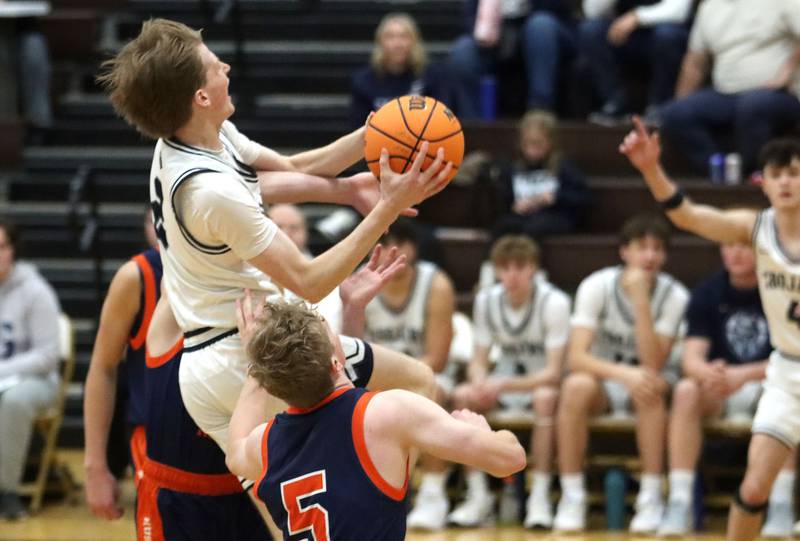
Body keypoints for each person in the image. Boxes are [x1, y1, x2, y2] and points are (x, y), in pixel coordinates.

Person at [97, 18, 451, 451]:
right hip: (247, 355)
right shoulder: (208, 191)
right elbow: (308, 279)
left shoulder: (195, 136)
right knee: (417, 385)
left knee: (290, 512)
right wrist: (387, 208)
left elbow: (293, 168)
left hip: (224, 355)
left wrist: (372, 140)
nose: (226, 66)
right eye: (214, 66)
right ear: (201, 96)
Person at [620, 118, 800, 541]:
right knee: (754, 486)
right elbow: (688, 216)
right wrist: (651, 170)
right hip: (788, 374)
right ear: (764, 183)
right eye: (777, 174)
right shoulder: (755, 228)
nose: (787, 182)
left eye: (794, 172)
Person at [225, 296, 528, 541]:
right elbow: (510, 459)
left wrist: (258, 360)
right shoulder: (386, 413)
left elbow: (235, 451)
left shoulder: (263, 444)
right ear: (333, 361)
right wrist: (484, 432)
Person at [553, 213, 689, 533]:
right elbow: (576, 358)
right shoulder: (596, 285)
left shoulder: (675, 295)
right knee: (575, 386)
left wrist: (642, 304)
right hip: (605, 381)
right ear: (624, 252)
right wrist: (624, 375)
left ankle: (651, 497)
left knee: (651, 388)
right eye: (642, 247)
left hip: (648, 383)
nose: (650, 256)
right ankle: (572, 496)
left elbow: (653, 363)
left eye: (657, 249)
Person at [659, 241, 796, 537]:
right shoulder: (708, 291)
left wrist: (743, 374)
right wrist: (707, 372)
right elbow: (691, 358)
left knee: (793, 394)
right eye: (729, 246)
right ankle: (679, 501)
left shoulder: (783, 285)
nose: (735, 252)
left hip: (770, 381)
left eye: (745, 246)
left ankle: (781, 504)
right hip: (722, 386)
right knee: (685, 391)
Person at [342, 218, 457, 531]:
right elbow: (349, 347)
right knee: (344, 403)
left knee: (430, 395)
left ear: (413, 249)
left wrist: (396, 382)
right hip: (373, 379)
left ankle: (433, 493)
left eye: (401, 245)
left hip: (425, 376)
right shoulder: (358, 282)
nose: (394, 253)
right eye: (385, 245)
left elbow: (438, 358)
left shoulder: (436, 284)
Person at [450, 235, 569, 528]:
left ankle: (539, 495)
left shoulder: (554, 302)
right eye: (505, 267)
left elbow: (554, 372)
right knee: (464, 395)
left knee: (545, 398)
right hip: (503, 383)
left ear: (533, 269)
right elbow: (479, 358)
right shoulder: (486, 300)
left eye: (520, 267)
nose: (512, 275)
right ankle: (477, 497)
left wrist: (501, 384)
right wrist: (480, 380)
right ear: (496, 270)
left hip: (540, 385)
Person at [135, 297, 271, 541]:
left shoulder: (255, 328)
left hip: (243, 493)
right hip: (175, 498)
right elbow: (178, 271)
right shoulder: (171, 323)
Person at [659, 0, 800, 176]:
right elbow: (695, 62)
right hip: (725, 93)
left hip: (779, 93)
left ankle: (754, 176)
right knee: (675, 113)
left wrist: (786, 72)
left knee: (753, 106)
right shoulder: (709, 7)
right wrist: (682, 100)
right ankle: (721, 172)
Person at [83, 212, 161, 521]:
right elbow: (102, 367)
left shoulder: (243, 266)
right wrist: (95, 467)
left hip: (229, 450)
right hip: (158, 450)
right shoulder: (137, 276)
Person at [0, 218, 61, 519]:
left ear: (13, 251)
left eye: (0, 247)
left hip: (35, 381)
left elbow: (48, 356)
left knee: (13, 401)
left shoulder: (35, 291)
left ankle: (7, 491)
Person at [447, 0, 577, 118]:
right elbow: (468, 18)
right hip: (496, 37)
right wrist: (485, 25)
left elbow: (559, 8)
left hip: (545, 29)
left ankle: (539, 115)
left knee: (540, 27)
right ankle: (472, 127)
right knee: (463, 50)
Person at [580, 0, 692, 126]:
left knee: (668, 36)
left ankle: (659, 107)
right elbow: (591, 11)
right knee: (591, 30)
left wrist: (637, 17)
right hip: (625, 35)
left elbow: (678, 11)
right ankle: (615, 103)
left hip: (662, 33)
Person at [491, 110, 591, 241]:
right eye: (527, 144)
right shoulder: (513, 167)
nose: (532, 150)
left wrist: (555, 198)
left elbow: (585, 198)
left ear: (551, 142)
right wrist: (515, 206)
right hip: (522, 217)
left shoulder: (564, 166)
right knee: (503, 226)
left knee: (535, 227)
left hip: (555, 216)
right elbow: (505, 198)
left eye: (538, 144)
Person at [349, 12, 450, 129]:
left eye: (404, 36)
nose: (398, 44)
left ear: (414, 41)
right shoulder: (364, 81)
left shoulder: (432, 76)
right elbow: (357, 128)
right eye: (390, 37)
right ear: (380, 42)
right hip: (378, 142)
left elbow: (442, 121)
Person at [267, 203, 343, 332]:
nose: (286, 233)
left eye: (294, 228)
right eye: (278, 227)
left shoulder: (326, 270)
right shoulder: (247, 272)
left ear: (306, 232)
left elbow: (333, 326)